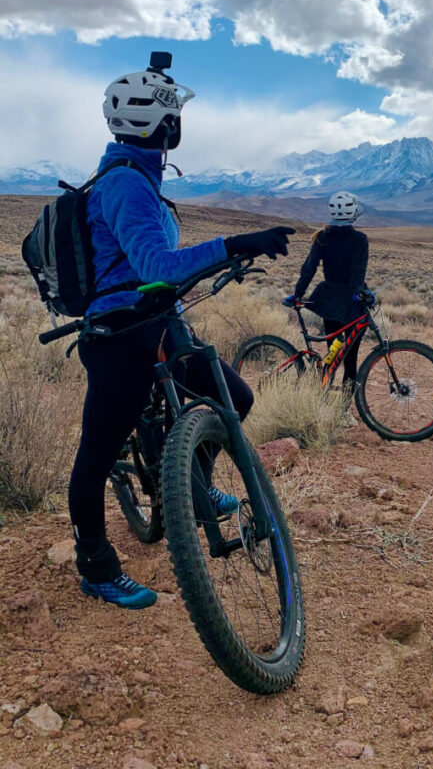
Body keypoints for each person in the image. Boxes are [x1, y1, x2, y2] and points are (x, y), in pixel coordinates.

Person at [71, 58, 294, 610]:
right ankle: (96, 567)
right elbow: (154, 265)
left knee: (232, 397)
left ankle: (190, 485)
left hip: (160, 323)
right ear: (160, 125)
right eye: (174, 115)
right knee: (97, 454)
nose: (178, 125)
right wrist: (234, 244)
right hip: (120, 332)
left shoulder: (140, 174)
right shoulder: (125, 183)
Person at [283, 191, 370, 390]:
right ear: (353, 213)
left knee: (333, 353)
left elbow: (309, 269)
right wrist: (359, 292)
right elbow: (358, 271)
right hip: (352, 303)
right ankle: (343, 409)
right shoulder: (360, 239)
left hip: (330, 301)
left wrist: (297, 294)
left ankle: (323, 396)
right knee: (350, 358)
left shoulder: (322, 237)